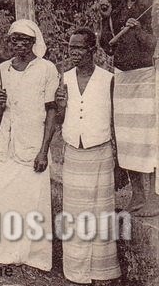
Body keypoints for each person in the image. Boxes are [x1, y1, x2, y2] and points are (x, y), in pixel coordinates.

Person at [0, 19, 59, 271]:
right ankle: (6, 251)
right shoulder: (2, 69)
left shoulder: (46, 69)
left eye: (25, 40)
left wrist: (43, 150)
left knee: (33, 200)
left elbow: (51, 111)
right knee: (1, 195)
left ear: (33, 42)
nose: (19, 44)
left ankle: (34, 256)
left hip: (32, 144)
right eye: (14, 39)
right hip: (6, 143)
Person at [54, 27, 121, 284]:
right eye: (71, 48)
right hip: (74, 152)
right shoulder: (65, 77)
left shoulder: (108, 78)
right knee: (75, 211)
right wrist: (60, 106)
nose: (74, 53)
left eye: (80, 48)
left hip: (100, 151)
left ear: (92, 50)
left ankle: (102, 271)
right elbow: (60, 119)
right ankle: (76, 271)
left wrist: (118, 156)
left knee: (100, 210)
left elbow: (115, 119)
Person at [99, 0, 158, 216]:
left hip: (147, 76)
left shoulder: (154, 3)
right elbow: (107, 47)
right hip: (122, 77)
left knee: (148, 137)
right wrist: (105, 19)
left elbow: (153, 45)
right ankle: (137, 196)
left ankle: (153, 198)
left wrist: (137, 30)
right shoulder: (118, 5)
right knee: (127, 139)